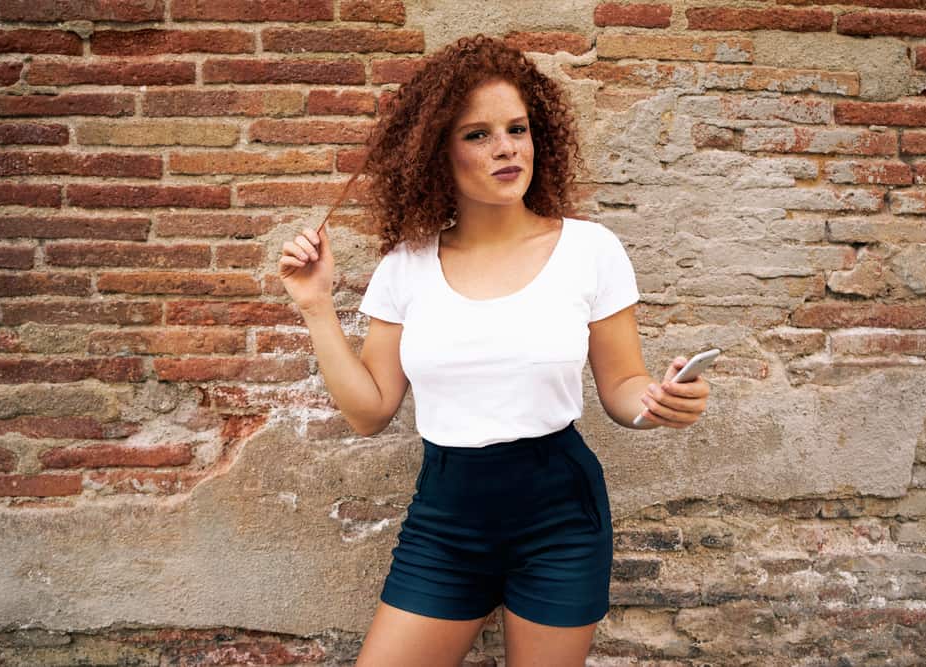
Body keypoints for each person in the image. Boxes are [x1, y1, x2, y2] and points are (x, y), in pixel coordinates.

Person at [278, 33, 711, 667]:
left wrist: (658, 401)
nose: (506, 148)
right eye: (477, 134)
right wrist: (316, 306)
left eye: (517, 128)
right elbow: (369, 413)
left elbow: (623, 388)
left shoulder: (591, 250)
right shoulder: (406, 266)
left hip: (559, 518)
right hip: (446, 520)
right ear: (436, 153)